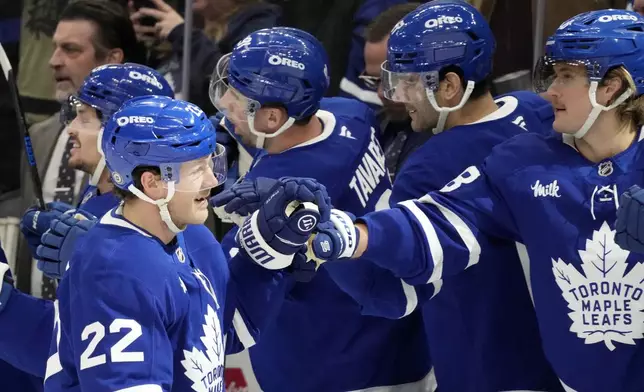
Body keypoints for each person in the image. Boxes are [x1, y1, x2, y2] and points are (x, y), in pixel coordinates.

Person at [214, 2, 561, 391]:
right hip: (530, 355)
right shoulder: (537, 112)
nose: (392, 94)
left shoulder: (427, 168)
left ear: (449, 86)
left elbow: (393, 293)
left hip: (468, 364)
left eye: (408, 81)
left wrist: (321, 238)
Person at [299, 8, 644, 392]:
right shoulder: (524, 153)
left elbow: (390, 292)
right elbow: (440, 219)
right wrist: (353, 234)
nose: (549, 91)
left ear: (611, 87)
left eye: (566, 77)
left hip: (493, 367)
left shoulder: (445, 158)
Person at [45, 95, 323, 391]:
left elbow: (223, 335)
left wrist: (268, 255)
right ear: (151, 183)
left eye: (210, 163)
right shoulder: (114, 271)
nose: (211, 181)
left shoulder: (191, 235)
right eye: (195, 170)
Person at [209, 26, 433, 391]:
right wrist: (227, 131)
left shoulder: (286, 190)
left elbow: (224, 310)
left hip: (333, 365)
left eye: (236, 95)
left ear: (272, 117)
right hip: (396, 344)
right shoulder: (350, 115)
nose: (224, 105)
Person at [0, 64, 175, 381]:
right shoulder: (100, 199)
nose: (69, 130)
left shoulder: (146, 218)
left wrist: (6, 306)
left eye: (83, 117)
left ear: (119, 131)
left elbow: (69, 347)